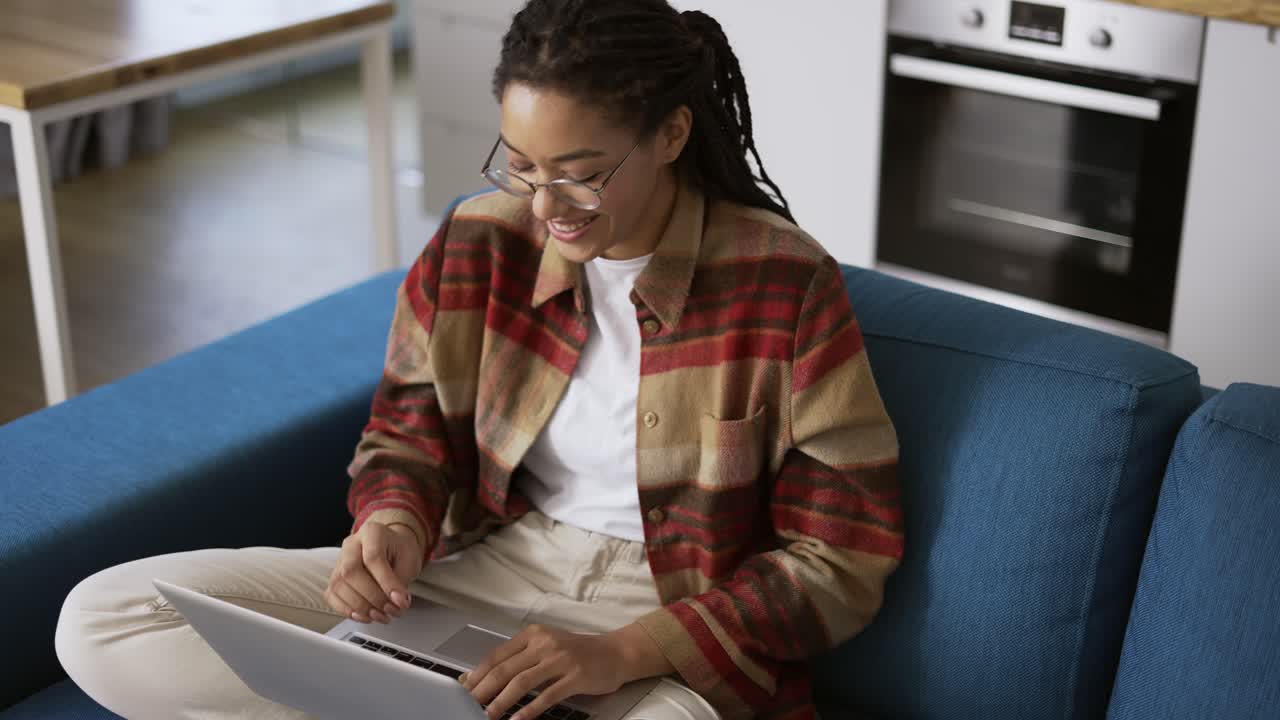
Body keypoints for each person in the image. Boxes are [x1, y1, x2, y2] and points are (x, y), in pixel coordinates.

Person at [53, 1, 904, 718]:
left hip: (662, 622)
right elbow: (407, 428)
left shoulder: (782, 280)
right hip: (484, 572)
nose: (545, 204)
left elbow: (843, 552)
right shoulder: (480, 240)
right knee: (105, 620)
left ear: (673, 132)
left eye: (580, 174)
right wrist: (392, 521)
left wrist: (625, 652)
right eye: (522, 164)